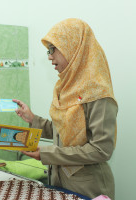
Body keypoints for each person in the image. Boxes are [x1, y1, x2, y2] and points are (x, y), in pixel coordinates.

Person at [13, 18, 118, 199]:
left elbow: (101, 150)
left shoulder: (99, 94)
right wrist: (33, 119)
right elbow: (64, 132)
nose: (49, 56)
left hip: (88, 189)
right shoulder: (66, 88)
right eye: (48, 50)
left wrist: (46, 153)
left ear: (74, 47)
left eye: (53, 49)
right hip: (59, 181)